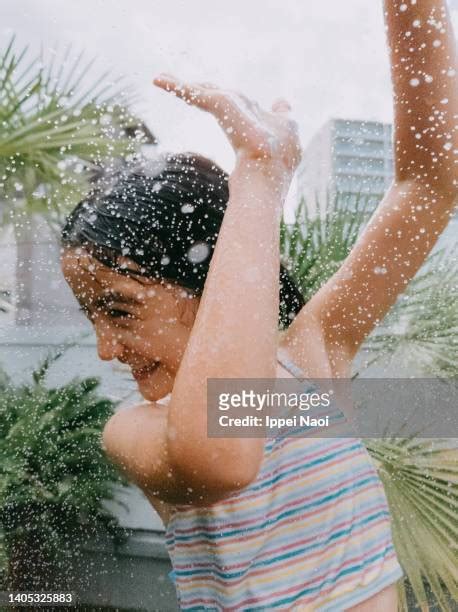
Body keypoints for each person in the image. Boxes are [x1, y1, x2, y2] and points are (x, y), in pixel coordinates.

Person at [60, 0, 457, 609]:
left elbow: (429, 185)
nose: (105, 349)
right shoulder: (134, 431)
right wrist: (261, 172)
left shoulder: (310, 360)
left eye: (118, 309)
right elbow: (223, 457)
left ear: (209, 280)